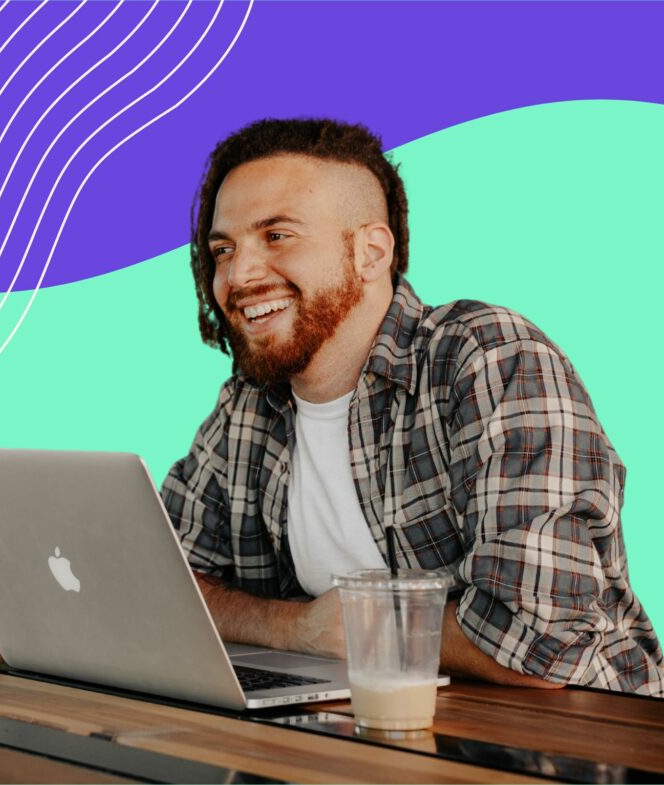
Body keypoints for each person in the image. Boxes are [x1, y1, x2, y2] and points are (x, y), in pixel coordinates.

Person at [160, 118, 664, 695]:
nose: (238, 275)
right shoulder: (249, 405)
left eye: (276, 236)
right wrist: (297, 628)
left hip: (576, 741)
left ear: (371, 252)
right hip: (370, 733)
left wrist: (364, 625)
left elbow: (540, 641)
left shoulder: (490, 358)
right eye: (223, 249)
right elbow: (162, 582)